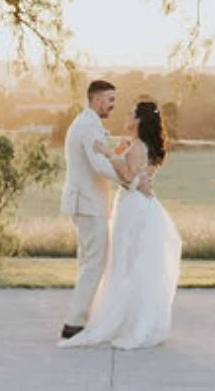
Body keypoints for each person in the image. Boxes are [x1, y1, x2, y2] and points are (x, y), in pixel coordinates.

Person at [61, 98, 182, 351]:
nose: (125, 116)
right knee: (133, 262)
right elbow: (135, 172)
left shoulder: (138, 145)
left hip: (133, 206)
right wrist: (117, 152)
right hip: (140, 203)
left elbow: (127, 176)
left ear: (138, 121)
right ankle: (133, 318)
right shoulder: (140, 144)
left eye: (129, 113)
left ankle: (121, 320)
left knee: (125, 263)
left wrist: (107, 153)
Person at [59, 78, 144, 340]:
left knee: (89, 261)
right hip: (87, 203)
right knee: (94, 263)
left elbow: (102, 158)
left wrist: (115, 154)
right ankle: (74, 323)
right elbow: (98, 165)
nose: (112, 105)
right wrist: (131, 181)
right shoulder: (88, 126)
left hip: (87, 203)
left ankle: (78, 319)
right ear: (96, 100)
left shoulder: (88, 123)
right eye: (110, 100)